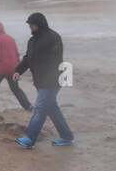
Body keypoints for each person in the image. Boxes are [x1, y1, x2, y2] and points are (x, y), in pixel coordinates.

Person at [13, 12, 74, 148]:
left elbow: (55, 60)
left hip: (52, 79)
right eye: (29, 25)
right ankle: (67, 136)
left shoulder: (53, 37)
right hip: (40, 80)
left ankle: (30, 138)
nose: (30, 27)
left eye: (32, 25)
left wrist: (48, 74)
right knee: (52, 109)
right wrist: (18, 70)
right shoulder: (32, 40)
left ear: (39, 24)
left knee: (40, 108)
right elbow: (28, 58)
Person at [0, 22, 31, 112]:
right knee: (15, 88)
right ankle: (28, 106)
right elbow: (17, 54)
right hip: (13, 68)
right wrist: (18, 67)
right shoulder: (11, 38)